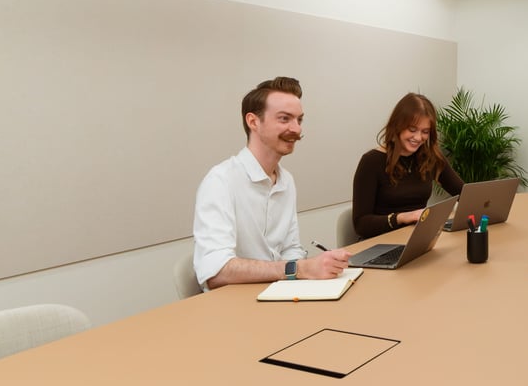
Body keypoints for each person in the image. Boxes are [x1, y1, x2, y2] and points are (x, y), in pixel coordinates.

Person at [193, 76, 350, 291]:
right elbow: (217, 271)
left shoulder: (286, 181)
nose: (296, 129)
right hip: (234, 306)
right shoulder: (220, 181)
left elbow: (291, 249)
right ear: (253, 122)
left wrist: (304, 274)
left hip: (278, 294)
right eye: (285, 119)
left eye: (299, 120)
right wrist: (300, 269)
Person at [352, 92, 464, 239]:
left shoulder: (430, 158)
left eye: (425, 132)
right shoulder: (371, 161)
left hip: (416, 240)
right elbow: (361, 225)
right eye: (412, 130)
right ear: (398, 125)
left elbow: (464, 193)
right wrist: (402, 217)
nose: (418, 138)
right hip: (381, 243)